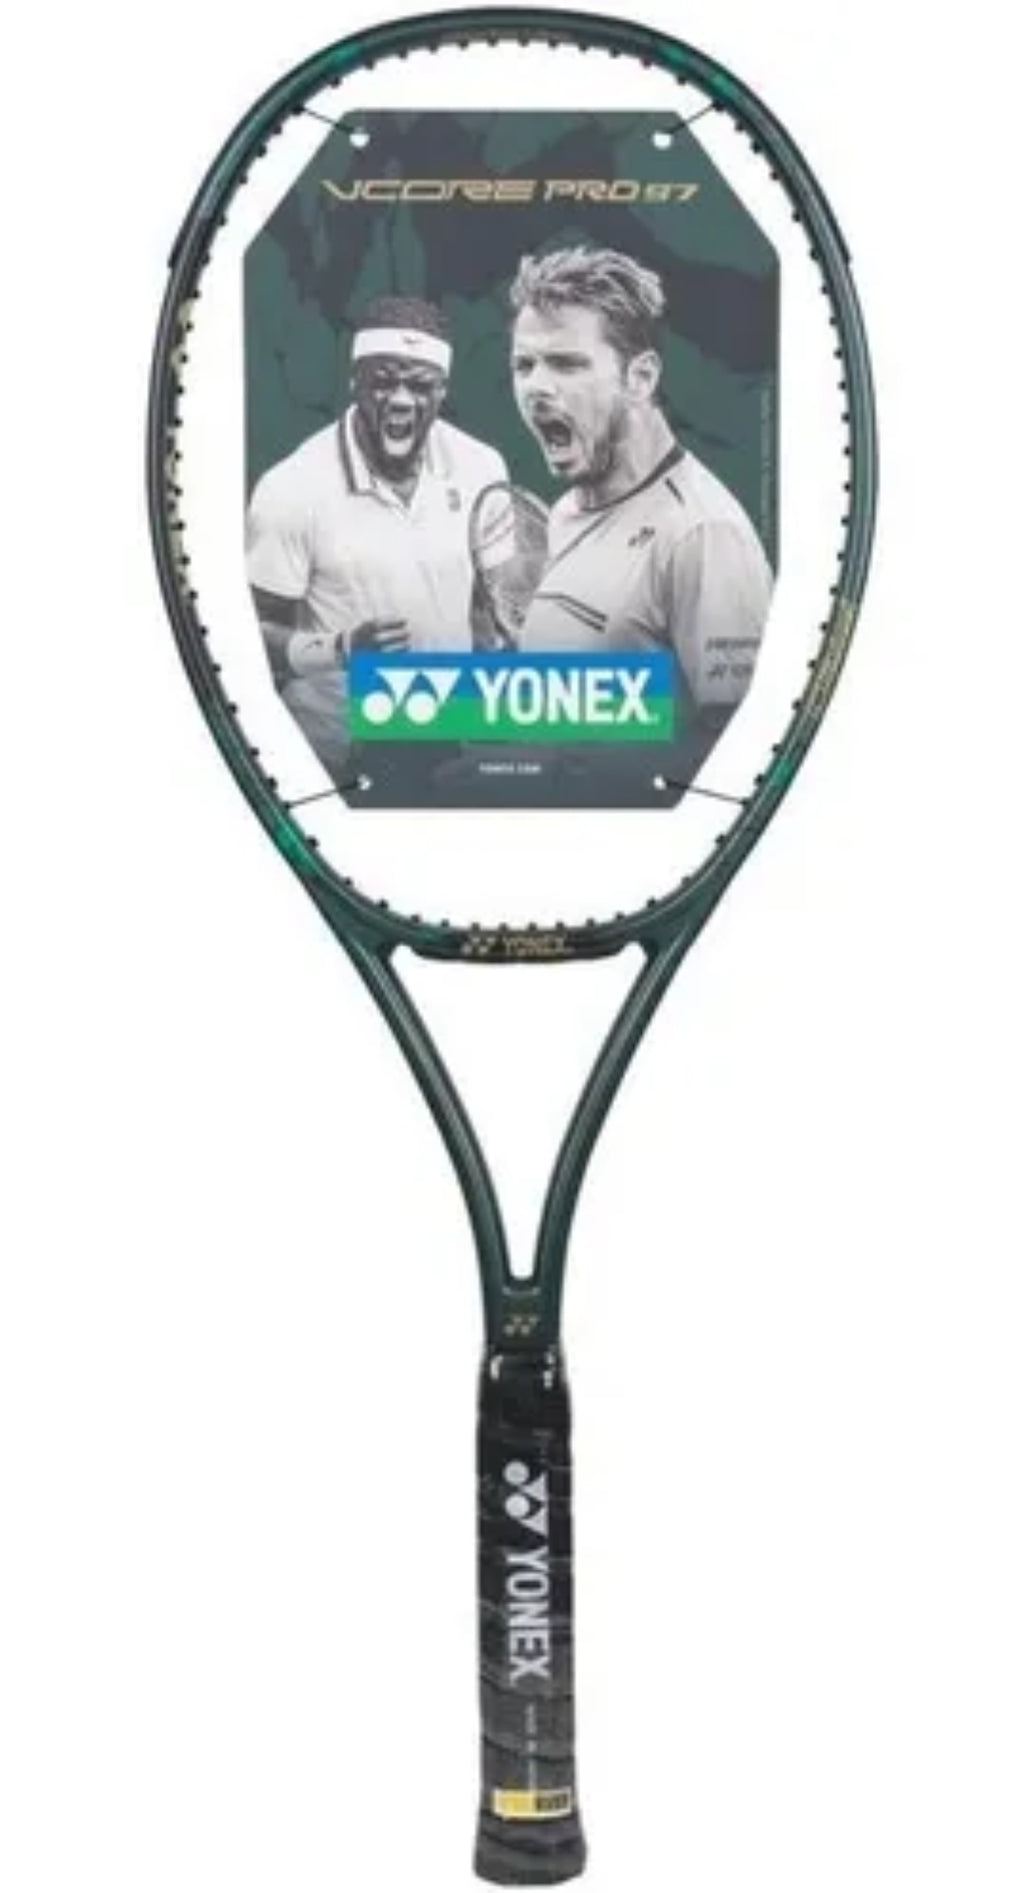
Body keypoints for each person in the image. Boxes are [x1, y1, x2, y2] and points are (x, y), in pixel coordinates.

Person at [508, 246, 773, 773]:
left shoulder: (704, 533)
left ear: (641, 378)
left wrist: (553, 773)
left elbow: (744, 753)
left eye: (566, 363)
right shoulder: (563, 512)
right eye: (524, 365)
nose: (536, 386)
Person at [246, 296, 509, 779]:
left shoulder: (482, 468)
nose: (402, 399)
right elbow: (250, 637)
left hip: (448, 737)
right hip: (333, 751)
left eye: (420, 385)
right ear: (355, 382)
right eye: (384, 381)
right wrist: (341, 649)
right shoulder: (290, 489)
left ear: (442, 391)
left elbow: (485, 608)